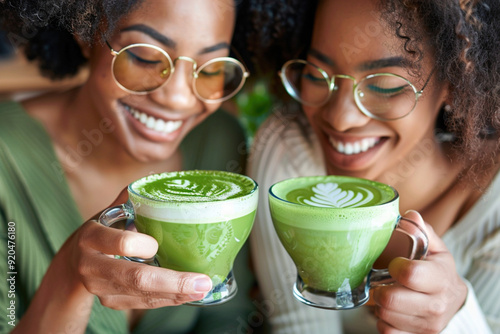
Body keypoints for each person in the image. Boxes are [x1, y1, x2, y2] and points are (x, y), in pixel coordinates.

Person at [0, 0, 261, 333]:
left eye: (210, 69)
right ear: (85, 30)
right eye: (145, 57)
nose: (179, 99)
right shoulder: (5, 156)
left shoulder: (218, 140)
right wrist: (68, 279)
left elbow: (227, 317)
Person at [247, 0, 500, 333]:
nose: (340, 117)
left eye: (385, 85)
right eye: (317, 75)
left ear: (455, 80)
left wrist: (456, 316)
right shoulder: (290, 148)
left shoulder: (492, 201)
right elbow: (297, 324)